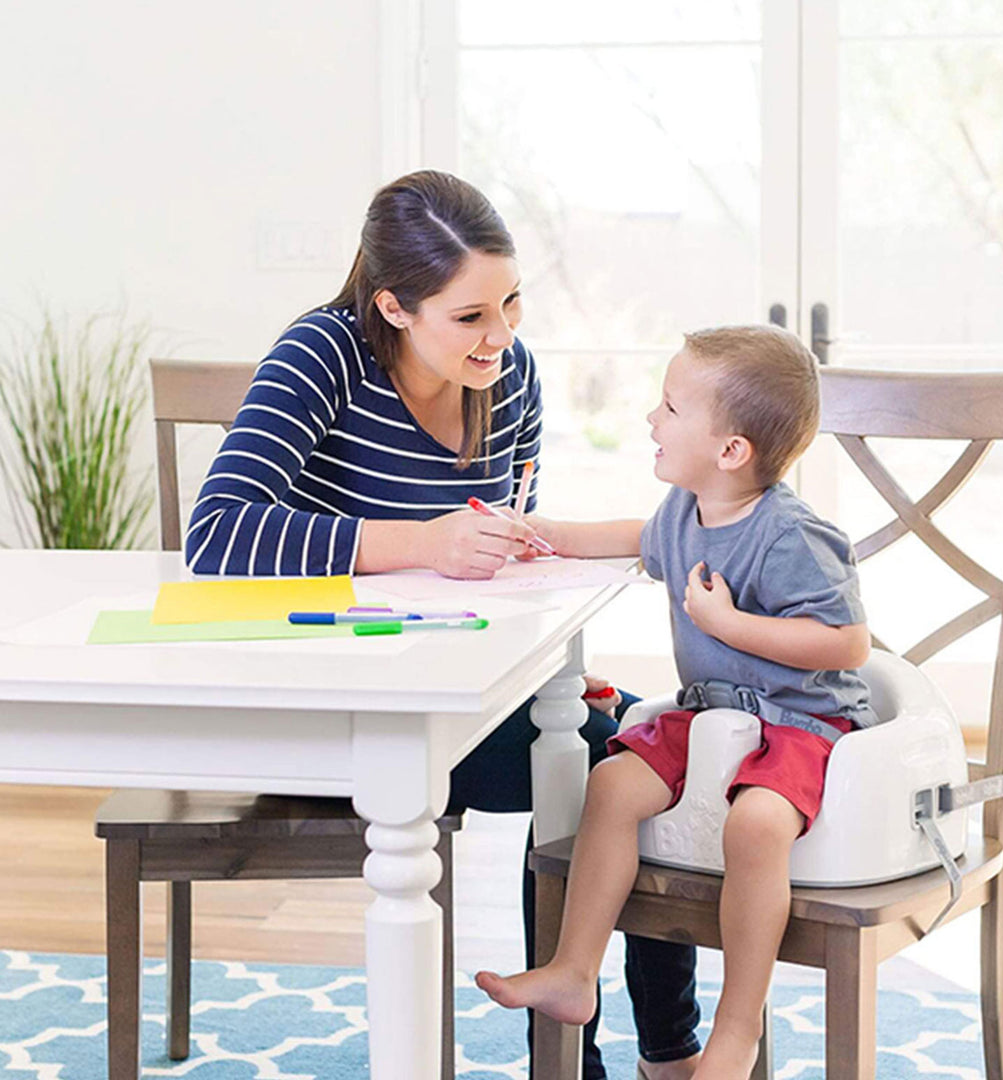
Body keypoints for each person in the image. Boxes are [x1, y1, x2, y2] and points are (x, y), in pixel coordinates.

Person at [184, 170, 702, 1079]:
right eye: (470, 316)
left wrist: (543, 664)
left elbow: (504, 558)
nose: (500, 335)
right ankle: (584, 1063)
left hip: (455, 691)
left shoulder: (510, 376)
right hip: (335, 712)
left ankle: (665, 1053)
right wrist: (420, 541)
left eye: (511, 303)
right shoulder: (322, 355)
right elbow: (217, 534)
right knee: (603, 763)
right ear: (393, 306)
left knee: (639, 748)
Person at [476, 325, 876, 1080]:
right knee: (609, 782)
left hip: (797, 724)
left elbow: (848, 643)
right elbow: (637, 537)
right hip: (710, 713)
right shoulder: (684, 509)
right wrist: (547, 534)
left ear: (731, 451)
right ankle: (573, 971)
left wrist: (729, 625)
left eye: (669, 408)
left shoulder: (791, 535)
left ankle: (735, 1032)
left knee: (756, 827)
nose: (650, 419)